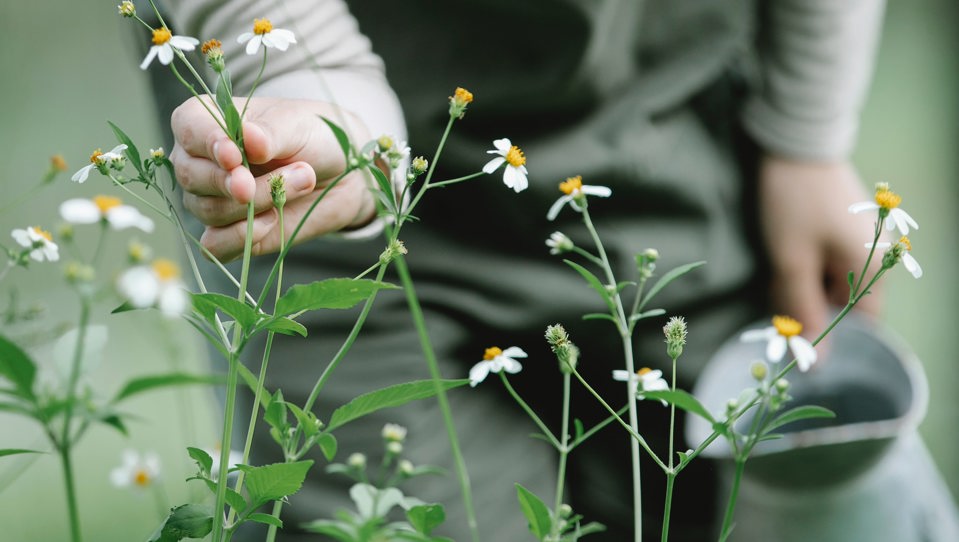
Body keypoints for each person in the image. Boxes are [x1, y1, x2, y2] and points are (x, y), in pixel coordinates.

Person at [146, 0, 892, 539]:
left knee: (724, 503)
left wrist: (806, 133)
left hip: (675, 146)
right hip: (325, 191)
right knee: (393, 513)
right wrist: (317, 82)